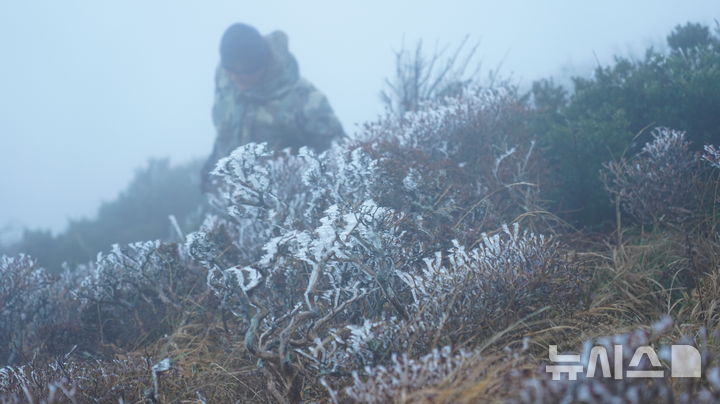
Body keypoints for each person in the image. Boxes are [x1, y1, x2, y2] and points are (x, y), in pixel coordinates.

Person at [201, 23, 345, 191]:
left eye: (243, 71)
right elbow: (225, 130)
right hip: (228, 199)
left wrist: (292, 162)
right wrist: (211, 165)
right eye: (229, 69)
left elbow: (339, 158)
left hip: (283, 205)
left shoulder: (306, 101)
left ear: (262, 64)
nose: (234, 77)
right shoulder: (225, 79)